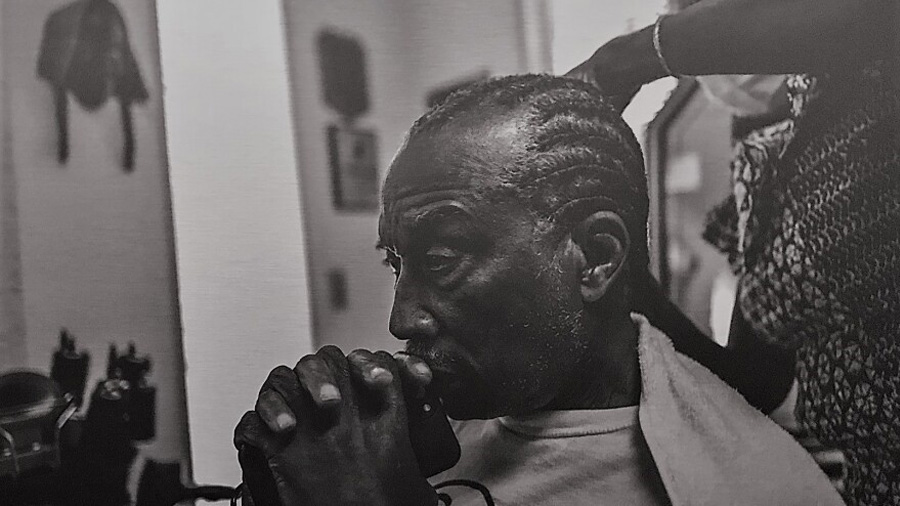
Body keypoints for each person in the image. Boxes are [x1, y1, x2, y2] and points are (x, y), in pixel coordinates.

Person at [233, 75, 843, 506]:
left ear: (597, 257)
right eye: (398, 263)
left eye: (441, 258)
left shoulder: (754, 488)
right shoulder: (441, 426)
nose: (400, 320)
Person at [566, 1, 899, 504]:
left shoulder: (879, 93)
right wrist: (632, 283)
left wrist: (628, 57)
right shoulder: (773, 164)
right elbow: (755, 383)